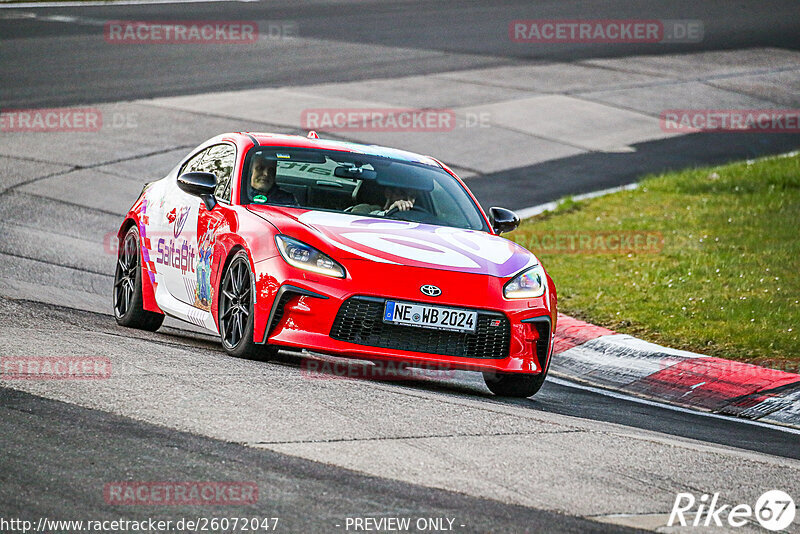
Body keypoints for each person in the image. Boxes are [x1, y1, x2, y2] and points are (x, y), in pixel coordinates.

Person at [348, 186, 416, 216]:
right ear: (388, 193)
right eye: (402, 194)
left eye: (412, 197)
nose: (407, 200)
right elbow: (358, 223)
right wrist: (389, 212)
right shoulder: (364, 208)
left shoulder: (421, 217)